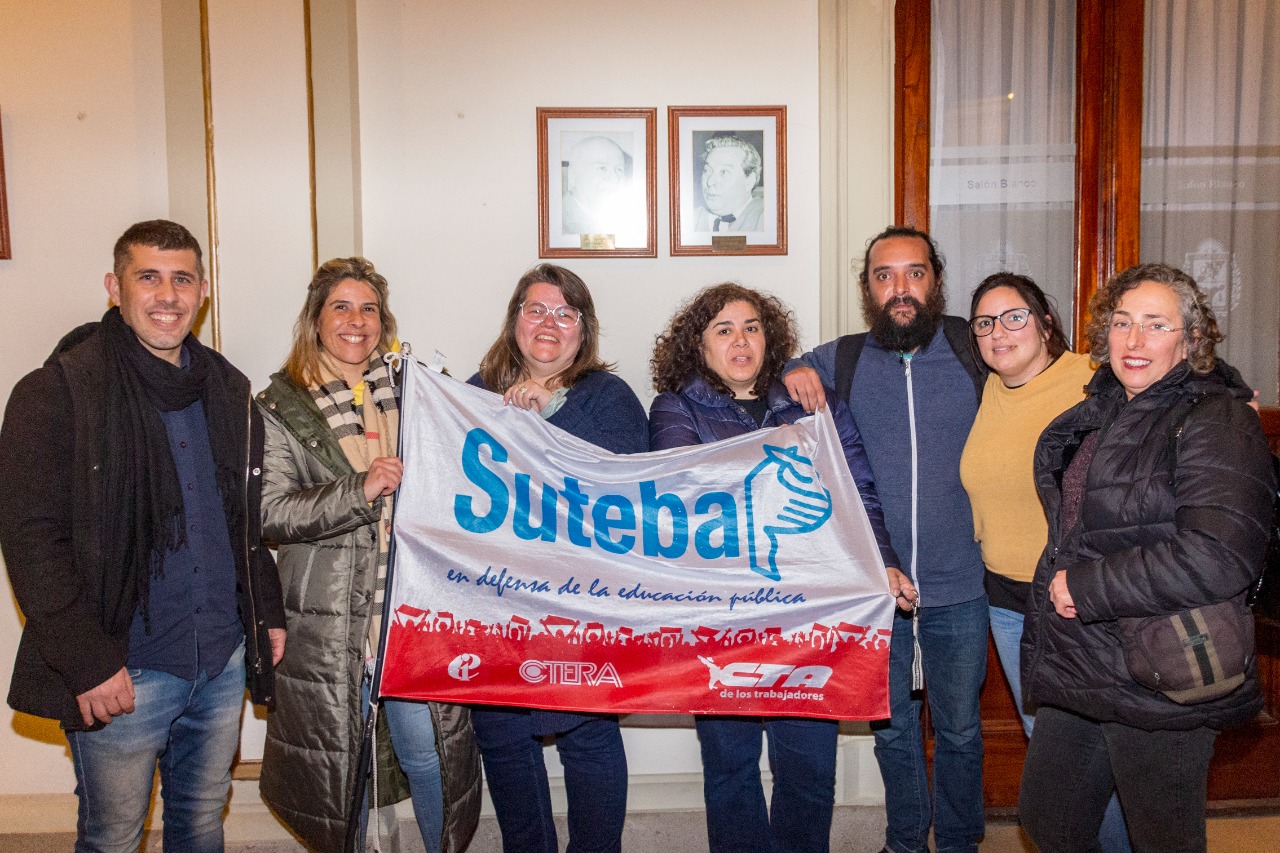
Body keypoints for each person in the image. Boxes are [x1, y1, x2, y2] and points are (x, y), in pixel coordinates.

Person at [0, 219, 286, 852]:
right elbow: (30, 541)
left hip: (219, 660)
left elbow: (241, 520)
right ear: (115, 287)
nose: (167, 295)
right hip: (122, 670)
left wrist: (265, 612)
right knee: (113, 836)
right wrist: (87, 662)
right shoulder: (57, 392)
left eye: (182, 279)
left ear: (202, 291)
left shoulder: (229, 389)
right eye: (148, 277)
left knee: (202, 820)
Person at [648, 282, 917, 853]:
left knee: (809, 770)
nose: (740, 341)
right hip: (723, 618)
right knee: (731, 768)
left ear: (769, 338)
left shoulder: (814, 401)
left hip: (810, 613)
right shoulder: (675, 407)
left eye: (751, 327)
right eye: (723, 330)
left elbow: (858, 492)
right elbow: (689, 495)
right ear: (699, 345)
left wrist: (884, 563)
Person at [1019, 263, 1273, 853]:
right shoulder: (1100, 412)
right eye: (1122, 322)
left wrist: (1087, 587)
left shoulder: (1217, 418)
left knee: (1164, 840)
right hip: (1084, 660)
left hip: (1162, 665)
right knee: (1048, 819)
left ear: (1191, 339)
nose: (1134, 340)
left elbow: (1219, 555)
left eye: (1157, 325)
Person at [256, 257, 481, 853]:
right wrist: (359, 490)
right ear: (316, 319)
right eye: (341, 307)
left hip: (413, 608)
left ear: (384, 320)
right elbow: (271, 512)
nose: (356, 321)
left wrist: (524, 406)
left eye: (369, 309)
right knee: (342, 767)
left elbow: (474, 455)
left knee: (428, 753)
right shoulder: (279, 404)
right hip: (332, 615)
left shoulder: (420, 388)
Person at [785, 225, 988, 853]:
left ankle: (958, 842)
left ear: (935, 281)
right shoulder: (842, 358)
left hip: (962, 583)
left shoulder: (972, 348)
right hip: (875, 588)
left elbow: (1058, 374)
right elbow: (771, 374)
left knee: (959, 730)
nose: (900, 288)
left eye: (914, 273)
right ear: (868, 288)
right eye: (884, 276)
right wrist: (795, 369)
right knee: (893, 730)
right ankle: (905, 839)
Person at [467, 263, 648, 853]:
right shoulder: (474, 393)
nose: (550, 322)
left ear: (583, 329)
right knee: (502, 739)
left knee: (588, 736)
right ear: (515, 320)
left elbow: (628, 485)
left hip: (581, 601)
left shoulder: (608, 395)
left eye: (566, 313)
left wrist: (549, 413)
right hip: (496, 601)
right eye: (536, 309)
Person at [958, 272, 1132, 852]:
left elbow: (1171, 378)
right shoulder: (987, 389)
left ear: (1046, 323)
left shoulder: (1091, 376)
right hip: (1008, 604)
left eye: (1015, 317)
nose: (999, 332)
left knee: (1092, 755)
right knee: (1049, 742)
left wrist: (1228, 395)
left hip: (1077, 601)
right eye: (985, 323)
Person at [693, 135, 765, 232]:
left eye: (724, 172)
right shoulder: (692, 218)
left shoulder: (767, 218)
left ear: (749, 182)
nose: (710, 182)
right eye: (707, 170)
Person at [562, 135, 631, 235]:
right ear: (572, 175)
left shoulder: (628, 221)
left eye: (619, 169)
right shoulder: (557, 224)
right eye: (602, 168)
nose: (615, 179)